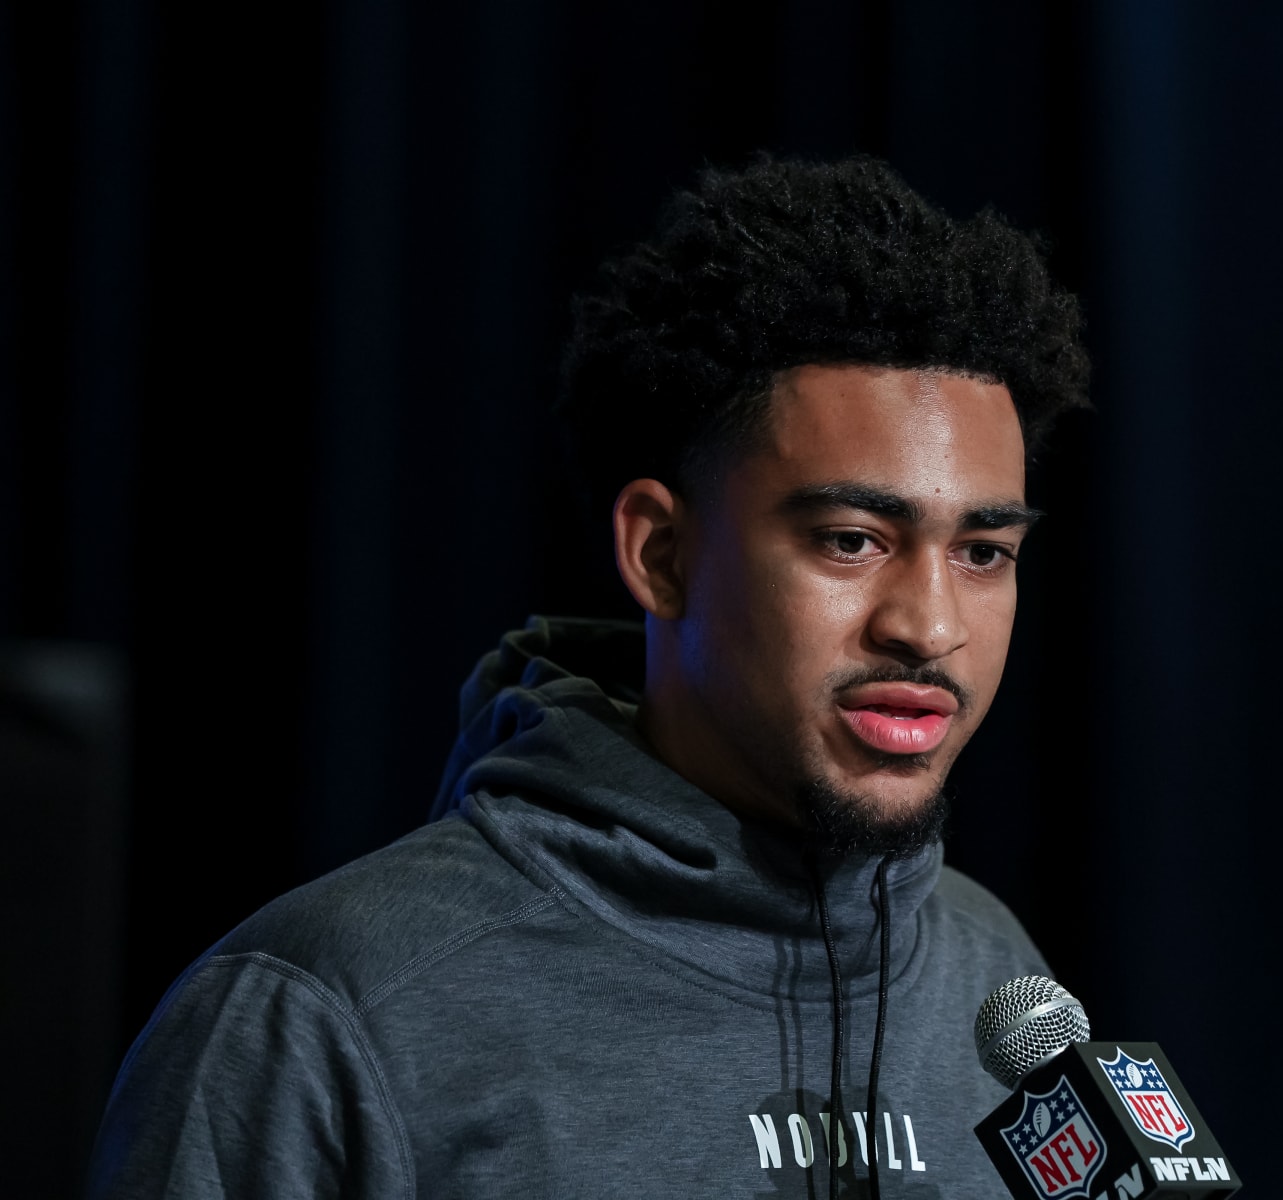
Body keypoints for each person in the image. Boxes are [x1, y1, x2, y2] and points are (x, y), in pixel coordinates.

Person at [86, 153, 1091, 1198]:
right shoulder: (323, 1012)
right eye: (850, 540)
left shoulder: (997, 979)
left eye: (983, 552)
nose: (929, 625)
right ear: (660, 554)